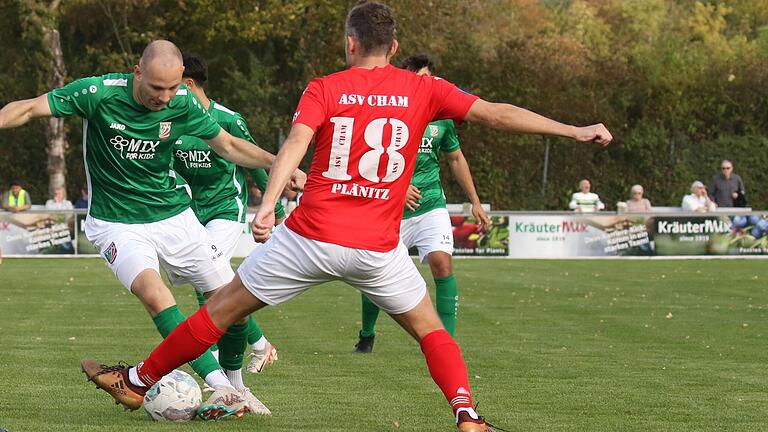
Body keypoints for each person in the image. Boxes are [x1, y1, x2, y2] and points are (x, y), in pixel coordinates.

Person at [82, 3, 611, 431]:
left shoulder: (326, 86)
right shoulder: (425, 90)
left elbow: (296, 142)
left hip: (308, 238)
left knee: (220, 309)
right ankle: (466, 415)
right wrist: (574, 130)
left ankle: (137, 378)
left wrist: (266, 206)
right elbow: (497, 113)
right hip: (377, 248)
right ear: (395, 49)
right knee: (431, 332)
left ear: (350, 44)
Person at [0, 39, 304, 419]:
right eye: (156, 88)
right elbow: (29, 107)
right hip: (115, 223)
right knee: (154, 292)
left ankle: (235, 383)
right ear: (137, 73)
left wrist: (282, 164)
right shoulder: (98, 93)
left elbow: (227, 145)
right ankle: (223, 389)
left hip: (174, 215)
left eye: (173, 88)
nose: (164, 97)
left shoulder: (183, 102)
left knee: (232, 303)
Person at [354, 54, 490, 354]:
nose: (424, 83)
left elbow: (456, 159)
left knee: (442, 263)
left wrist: (475, 202)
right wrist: (397, 188)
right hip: (389, 209)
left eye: (427, 77)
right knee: (373, 272)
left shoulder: (442, 119)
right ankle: (367, 333)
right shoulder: (388, 113)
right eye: (418, 78)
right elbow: (366, 160)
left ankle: (447, 344)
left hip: (431, 205)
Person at [173, 54, 281, 388]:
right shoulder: (173, 121)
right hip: (190, 214)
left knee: (210, 279)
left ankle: (228, 364)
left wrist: (269, 205)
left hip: (225, 210)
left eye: (172, 86)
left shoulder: (228, 120)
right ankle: (260, 345)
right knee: (211, 281)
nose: (165, 95)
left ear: (189, 84)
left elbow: (253, 160)